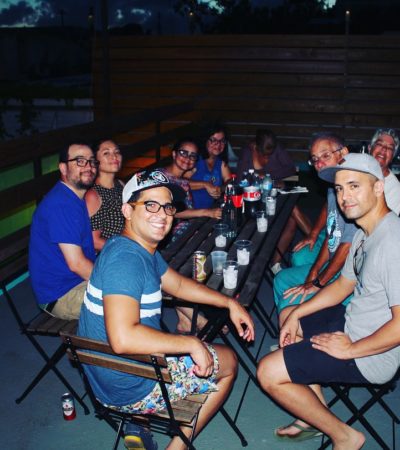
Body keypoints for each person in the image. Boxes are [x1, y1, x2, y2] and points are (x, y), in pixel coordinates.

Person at [78, 168, 255, 450]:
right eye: (150, 205)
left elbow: (179, 285)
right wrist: (191, 344)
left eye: (167, 206)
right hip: (130, 386)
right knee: (229, 361)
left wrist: (228, 302)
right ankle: (176, 446)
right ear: (127, 210)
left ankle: (139, 423)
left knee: (194, 343)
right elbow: (123, 339)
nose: (162, 214)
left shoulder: (135, 248)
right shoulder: (125, 261)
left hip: (109, 375)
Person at [257, 153, 400, 449]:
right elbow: (343, 285)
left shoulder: (392, 243)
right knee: (288, 316)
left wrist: (351, 350)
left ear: (378, 187)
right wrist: (297, 313)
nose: (344, 197)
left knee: (267, 372)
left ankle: (345, 436)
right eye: (339, 188)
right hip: (352, 323)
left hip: (372, 352)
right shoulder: (365, 230)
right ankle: (314, 415)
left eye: (354, 186)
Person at [274, 133, 357, 330]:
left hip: (350, 273)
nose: (319, 164)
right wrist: (314, 271)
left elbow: (346, 247)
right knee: (282, 278)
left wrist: (317, 282)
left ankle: (299, 333)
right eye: (315, 159)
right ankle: (291, 333)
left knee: (289, 299)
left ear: (343, 153)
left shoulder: (353, 190)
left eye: (325, 155)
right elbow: (333, 233)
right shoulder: (334, 185)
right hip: (337, 257)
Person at [29, 142, 97, 320]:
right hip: (62, 295)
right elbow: (77, 264)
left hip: (76, 282)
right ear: (63, 168)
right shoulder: (61, 204)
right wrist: (116, 283)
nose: (88, 166)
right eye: (80, 161)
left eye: (91, 161)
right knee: (127, 300)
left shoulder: (73, 197)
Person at [237, 129, 311, 272]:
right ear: (256, 147)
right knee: (292, 210)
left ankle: (275, 263)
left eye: (270, 154)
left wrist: (267, 175)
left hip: (274, 192)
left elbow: (291, 169)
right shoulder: (248, 152)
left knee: (292, 217)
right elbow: (241, 179)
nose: (267, 157)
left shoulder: (277, 149)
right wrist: (259, 177)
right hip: (254, 199)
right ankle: (317, 242)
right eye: (264, 154)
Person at [85, 139, 125, 252]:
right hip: (107, 255)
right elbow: (94, 241)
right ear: (95, 161)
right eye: (106, 153)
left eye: (117, 152)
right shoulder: (94, 195)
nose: (114, 156)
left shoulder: (120, 185)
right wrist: (128, 249)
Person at [188, 124, 231, 209]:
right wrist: (205, 185)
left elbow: (230, 180)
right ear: (205, 140)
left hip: (209, 212)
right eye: (213, 140)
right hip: (190, 212)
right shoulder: (195, 160)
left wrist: (221, 188)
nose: (218, 144)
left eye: (222, 141)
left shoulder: (220, 162)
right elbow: (181, 182)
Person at [368, 127, 400, 214]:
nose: (384, 149)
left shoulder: (395, 189)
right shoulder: (356, 170)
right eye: (380, 144)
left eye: (390, 148)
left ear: (392, 157)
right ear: (370, 148)